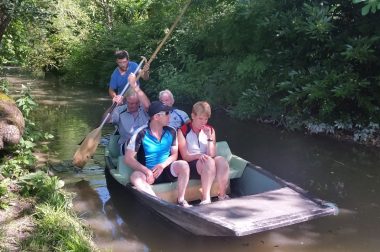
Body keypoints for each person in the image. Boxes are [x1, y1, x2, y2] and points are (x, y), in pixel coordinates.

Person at [124, 101, 191, 207]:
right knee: (135, 176)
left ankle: (181, 200)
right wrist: (146, 171)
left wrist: (162, 165)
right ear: (156, 117)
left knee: (184, 165)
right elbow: (128, 158)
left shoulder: (172, 131)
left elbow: (174, 154)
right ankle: (157, 202)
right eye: (167, 113)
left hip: (167, 170)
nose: (170, 116)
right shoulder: (141, 133)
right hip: (148, 174)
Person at [178, 101, 230, 205]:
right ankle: (206, 199)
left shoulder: (210, 130)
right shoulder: (182, 131)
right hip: (191, 164)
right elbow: (185, 157)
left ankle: (222, 195)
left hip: (207, 162)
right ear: (193, 116)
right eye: (200, 119)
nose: (203, 122)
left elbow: (212, 154)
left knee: (222, 161)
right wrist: (199, 155)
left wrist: (209, 138)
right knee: (209, 162)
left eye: (206, 119)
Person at [107, 73, 150, 154]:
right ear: (126, 101)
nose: (133, 106)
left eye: (136, 103)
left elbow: (148, 106)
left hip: (145, 144)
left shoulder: (144, 109)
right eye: (130, 103)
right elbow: (106, 120)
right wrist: (113, 106)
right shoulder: (119, 110)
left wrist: (134, 85)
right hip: (126, 146)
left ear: (140, 102)